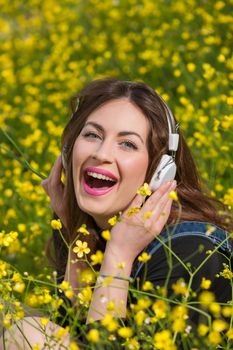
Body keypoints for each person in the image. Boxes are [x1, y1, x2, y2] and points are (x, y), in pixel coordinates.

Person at [1, 78, 232, 349]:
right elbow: (72, 329)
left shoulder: (191, 253)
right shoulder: (89, 229)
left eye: (127, 144)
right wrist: (77, 236)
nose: (102, 154)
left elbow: (101, 344)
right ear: (67, 152)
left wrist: (118, 254)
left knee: (29, 336)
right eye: (92, 135)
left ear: (160, 171)